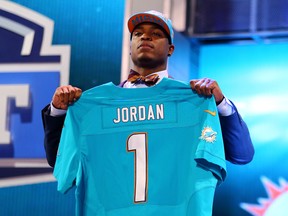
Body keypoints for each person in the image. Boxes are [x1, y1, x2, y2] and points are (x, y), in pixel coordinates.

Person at [41, 10, 254, 168]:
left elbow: (242, 154)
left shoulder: (193, 101)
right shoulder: (97, 104)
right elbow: (58, 160)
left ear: (170, 49)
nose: (145, 37)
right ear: (130, 46)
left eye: (156, 33)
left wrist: (220, 104)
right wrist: (58, 111)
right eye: (138, 34)